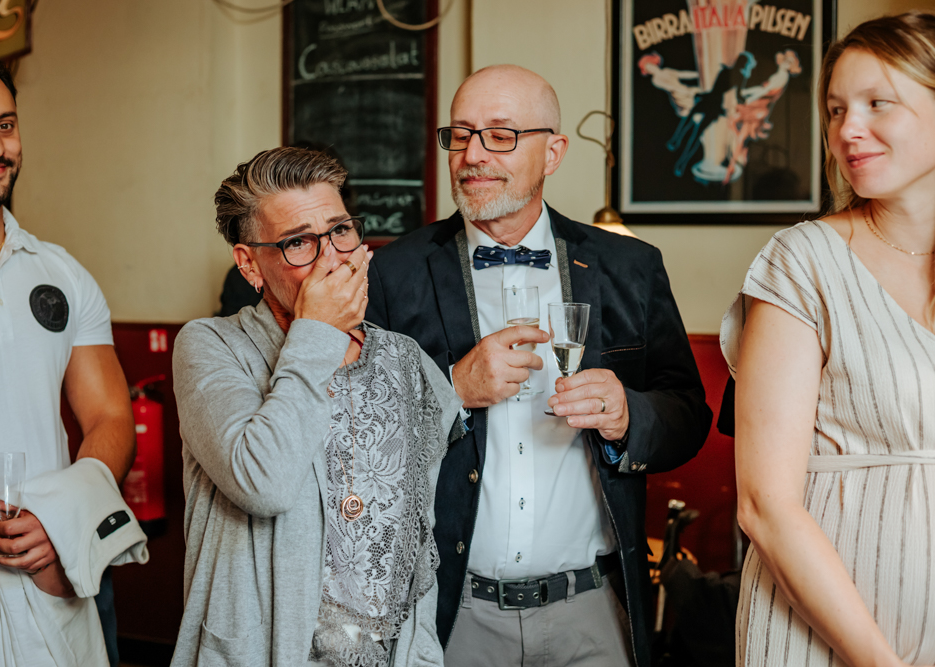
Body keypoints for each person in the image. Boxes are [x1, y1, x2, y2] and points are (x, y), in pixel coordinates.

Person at [366, 64, 712, 667]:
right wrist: (452, 389)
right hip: (450, 612)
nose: (473, 154)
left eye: (500, 134)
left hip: (594, 612)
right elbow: (354, 442)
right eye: (462, 133)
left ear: (552, 153)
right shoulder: (393, 273)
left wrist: (630, 414)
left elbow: (687, 411)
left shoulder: (630, 267)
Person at [170, 147, 462, 667]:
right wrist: (318, 333)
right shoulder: (211, 346)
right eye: (298, 242)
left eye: (341, 230)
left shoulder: (405, 359)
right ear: (249, 264)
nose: (334, 257)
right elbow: (264, 482)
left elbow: (416, 538)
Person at [722, 12, 935, 666]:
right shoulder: (803, 260)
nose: (849, 129)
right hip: (818, 637)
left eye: (878, 104)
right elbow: (765, 505)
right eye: (837, 109)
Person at [0, 46, 136, 665]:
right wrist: (4, 538)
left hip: (66, 563)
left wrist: (58, 524)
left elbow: (110, 417)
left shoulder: (62, 272)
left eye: (6, 124)